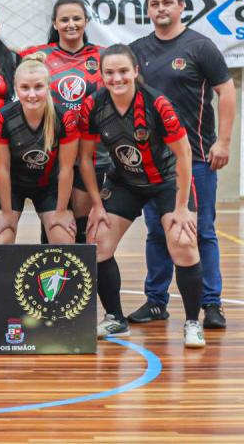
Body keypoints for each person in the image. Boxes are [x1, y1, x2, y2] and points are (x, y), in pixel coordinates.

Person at [79, 44, 206, 348]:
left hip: (167, 180)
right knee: (97, 243)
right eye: (109, 72)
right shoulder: (93, 105)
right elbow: (85, 159)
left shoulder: (157, 104)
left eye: (123, 71)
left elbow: (185, 154)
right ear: (102, 75)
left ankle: (192, 323)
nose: (117, 77)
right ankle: (115, 319)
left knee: (183, 242)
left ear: (135, 72)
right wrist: (97, 205)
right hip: (126, 182)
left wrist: (182, 208)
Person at [128, 0, 236, 329]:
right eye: (154, 4)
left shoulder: (200, 47)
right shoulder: (137, 50)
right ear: (148, 9)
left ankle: (211, 304)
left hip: (199, 158)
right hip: (153, 164)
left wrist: (224, 141)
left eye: (167, 2)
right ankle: (156, 301)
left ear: (181, 6)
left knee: (201, 231)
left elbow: (227, 91)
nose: (161, 9)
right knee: (158, 232)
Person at [21, 0, 111, 245]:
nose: (71, 24)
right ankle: (51, 283)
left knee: (82, 226)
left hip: (91, 155)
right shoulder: (37, 56)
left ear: (85, 21)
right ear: (54, 23)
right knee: (53, 222)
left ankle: (82, 282)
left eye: (76, 18)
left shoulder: (103, 57)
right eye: (64, 19)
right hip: (50, 152)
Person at [0, 53, 79, 245]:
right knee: (1, 239)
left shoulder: (64, 118)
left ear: (48, 87)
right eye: (25, 88)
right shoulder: (3, 118)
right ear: (16, 88)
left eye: (38, 87)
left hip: (48, 186)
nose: (32, 94)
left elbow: (66, 169)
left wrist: (62, 211)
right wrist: (6, 213)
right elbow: (2, 169)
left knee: (63, 239)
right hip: (13, 186)